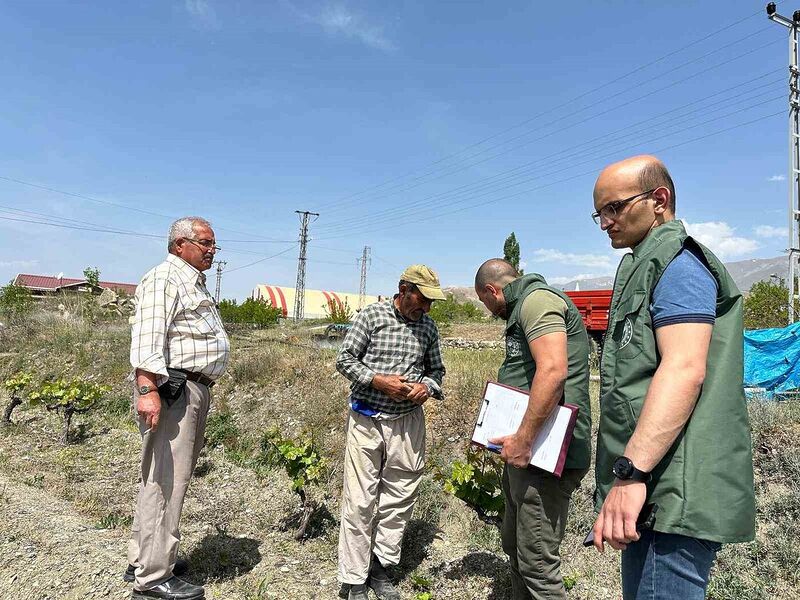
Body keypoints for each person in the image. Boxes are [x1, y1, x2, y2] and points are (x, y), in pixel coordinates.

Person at [590, 155, 755, 599]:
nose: (605, 221)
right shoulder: (647, 262)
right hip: (655, 486)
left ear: (658, 200)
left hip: (672, 488)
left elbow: (683, 370)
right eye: (599, 212)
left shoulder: (678, 267)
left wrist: (629, 473)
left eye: (614, 208)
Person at [474, 259, 592, 599]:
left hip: (543, 453)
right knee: (516, 548)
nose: (488, 309)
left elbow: (553, 371)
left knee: (537, 565)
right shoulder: (522, 307)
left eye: (485, 302)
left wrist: (524, 440)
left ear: (492, 291)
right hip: (525, 452)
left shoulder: (537, 301)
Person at [126, 216, 230, 600]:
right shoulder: (166, 278)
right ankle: (153, 579)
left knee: (160, 477)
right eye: (205, 242)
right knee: (167, 480)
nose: (212, 250)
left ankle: (146, 557)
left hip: (191, 389)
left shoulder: (191, 281)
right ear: (179, 244)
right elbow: (147, 337)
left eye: (214, 244)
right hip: (175, 390)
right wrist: (146, 388)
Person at [335, 265, 446, 600]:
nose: (426, 308)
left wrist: (427, 387)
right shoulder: (371, 317)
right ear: (404, 289)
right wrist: (377, 380)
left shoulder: (428, 327)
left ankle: (380, 570)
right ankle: (355, 580)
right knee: (359, 500)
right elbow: (344, 360)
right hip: (367, 420)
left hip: (407, 422)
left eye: (430, 302)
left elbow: (437, 370)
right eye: (422, 299)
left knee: (398, 498)